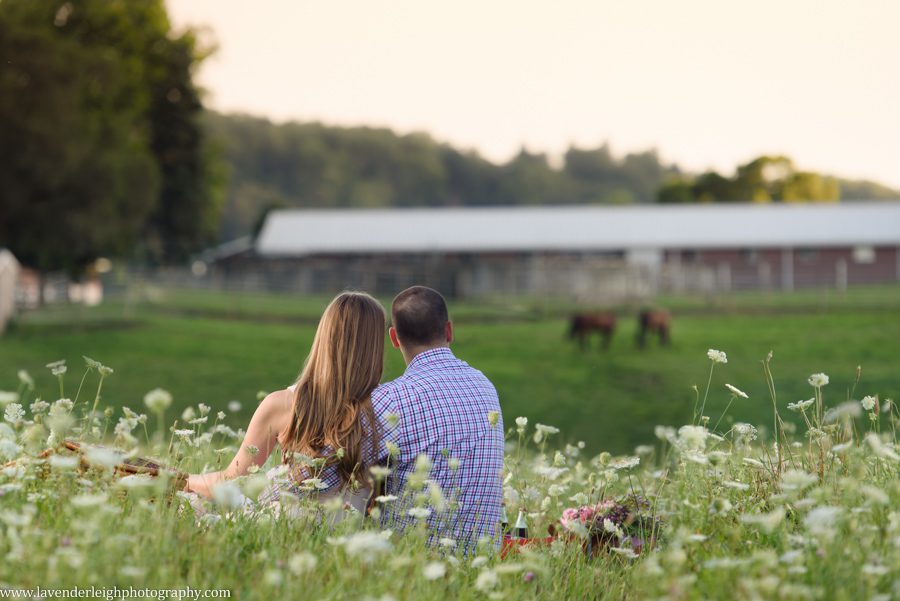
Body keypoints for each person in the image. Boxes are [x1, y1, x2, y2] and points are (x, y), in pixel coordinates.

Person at [184, 291, 386, 514]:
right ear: (375, 347)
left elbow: (231, 480)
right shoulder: (389, 408)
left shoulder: (282, 404)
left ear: (324, 337)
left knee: (189, 502)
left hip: (283, 526)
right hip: (347, 529)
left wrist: (184, 480)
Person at [371, 286, 504, 550]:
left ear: (394, 338)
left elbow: (351, 474)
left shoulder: (389, 399)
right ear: (449, 331)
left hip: (412, 563)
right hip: (482, 560)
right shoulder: (486, 386)